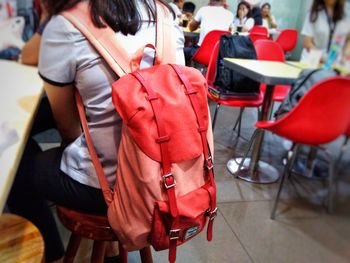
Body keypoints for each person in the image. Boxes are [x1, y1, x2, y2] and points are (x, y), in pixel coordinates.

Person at [6, 0, 185, 262]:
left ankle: (54, 255)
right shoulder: (166, 13)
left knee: (17, 159)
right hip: (168, 177)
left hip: (109, 189)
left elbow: (67, 127)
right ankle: (112, 249)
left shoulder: (67, 24)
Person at [184, 0, 233, 65]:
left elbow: (191, 28)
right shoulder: (229, 14)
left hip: (201, 53)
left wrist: (200, 22)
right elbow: (230, 32)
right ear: (224, 1)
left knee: (181, 51)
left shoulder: (203, 10)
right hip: (219, 55)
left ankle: (186, 73)